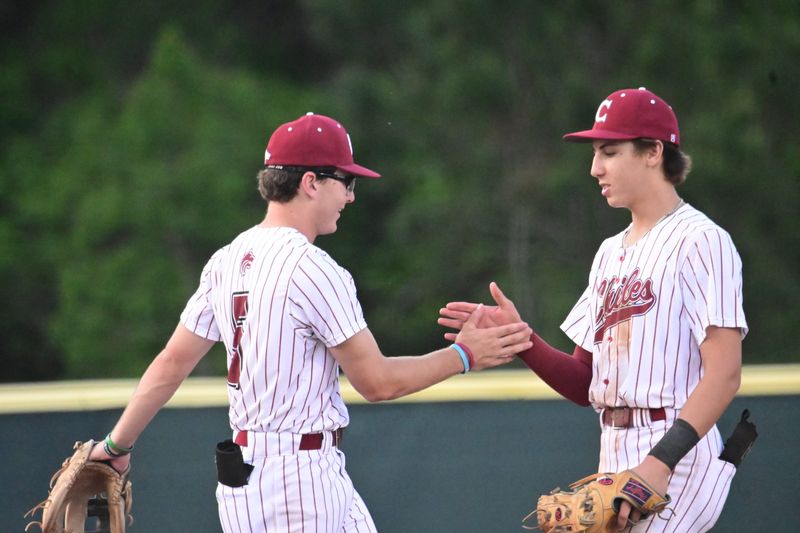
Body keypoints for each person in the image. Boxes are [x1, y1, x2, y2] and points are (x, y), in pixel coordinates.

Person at [88, 112, 534, 532]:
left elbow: (171, 363)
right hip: (297, 482)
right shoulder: (311, 268)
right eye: (346, 181)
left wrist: (115, 448)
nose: (351, 195)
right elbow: (377, 383)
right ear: (310, 183)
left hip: (253, 475)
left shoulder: (225, 261)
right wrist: (464, 355)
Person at [439, 88, 746, 532]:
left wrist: (660, 462)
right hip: (613, 448)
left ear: (653, 152)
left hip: (677, 454)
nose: (594, 167)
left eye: (609, 151)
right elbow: (586, 384)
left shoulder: (701, 241)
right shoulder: (609, 253)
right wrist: (523, 340)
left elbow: (725, 373)